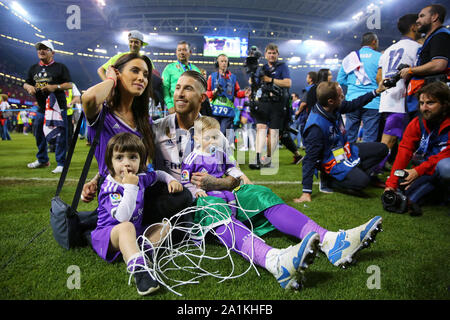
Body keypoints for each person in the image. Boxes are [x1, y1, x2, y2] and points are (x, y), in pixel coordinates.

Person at [152, 70, 384, 278]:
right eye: (178, 88)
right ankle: (274, 260)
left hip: (221, 192)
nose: (180, 93)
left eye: (188, 88)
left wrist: (232, 182)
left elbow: (233, 169)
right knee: (213, 208)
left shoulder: (214, 133)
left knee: (261, 193)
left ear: (202, 98)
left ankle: (330, 241)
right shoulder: (156, 129)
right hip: (191, 204)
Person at [81, 53, 193, 252]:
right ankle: (107, 228)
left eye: (145, 74)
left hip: (141, 186)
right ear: (118, 73)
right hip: (115, 189)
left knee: (183, 198)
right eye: (135, 71)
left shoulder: (144, 121)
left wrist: (93, 177)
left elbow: (139, 162)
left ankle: (102, 223)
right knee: (179, 224)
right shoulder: (103, 114)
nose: (142, 77)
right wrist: (110, 80)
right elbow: (89, 97)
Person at [92, 132, 182, 295]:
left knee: (165, 225)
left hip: (136, 232)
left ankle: (139, 252)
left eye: (132, 157)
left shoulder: (140, 178)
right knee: (126, 226)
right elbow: (122, 217)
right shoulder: (109, 188)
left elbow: (158, 174)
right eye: (119, 158)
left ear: (141, 160)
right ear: (110, 163)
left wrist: (172, 180)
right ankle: (140, 270)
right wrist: (130, 187)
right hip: (110, 236)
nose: (126, 163)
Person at [295, 81, 388, 204]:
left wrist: (376, 91)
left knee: (382, 149)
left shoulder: (334, 107)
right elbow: (309, 160)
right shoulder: (315, 127)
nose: (343, 97)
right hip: (331, 161)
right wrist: (306, 191)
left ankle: (354, 173)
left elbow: (355, 104)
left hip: (344, 150)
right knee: (363, 182)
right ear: (330, 101)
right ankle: (330, 181)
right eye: (340, 96)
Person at [384, 81, 450, 215]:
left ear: (444, 104)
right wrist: (391, 185)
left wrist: (418, 171)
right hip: (429, 168)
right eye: (421, 103)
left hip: (441, 167)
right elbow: (404, 152)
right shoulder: (417, 123)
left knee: (445, 168)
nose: (424, 108)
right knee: (405, 190)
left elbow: (445, 155)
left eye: (430, 103)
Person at [377, 14, 422, 169]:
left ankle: (393, 167)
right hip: (402, 100)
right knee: (390, 141)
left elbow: (379, 77)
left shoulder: (388, 49)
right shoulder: (417, 48)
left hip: (388, 98)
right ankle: (374, 170)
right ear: (413, 27)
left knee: (398, 139)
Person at [249, 43, 302, 169]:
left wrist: (270, 80)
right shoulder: (262, 68)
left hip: (278, 103)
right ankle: (257, 158)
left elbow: (288, 83)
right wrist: (252, 79)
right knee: (261, 128)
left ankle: (267, 160)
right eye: (269, 53)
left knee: (274, 132)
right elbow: (255, 83)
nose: (272, 55)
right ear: (266, 55)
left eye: (274, 53)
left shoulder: (282, 66)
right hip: (264, 102)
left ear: (277, 54)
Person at [23, 40, 72, 173]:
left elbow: (69, 84)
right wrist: (29, 88)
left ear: (53, 52)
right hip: (41, 108)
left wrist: (54, 87)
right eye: (39, 49)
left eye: (45, 49)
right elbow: (25, 83)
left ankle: (61, 163)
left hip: (58, 107)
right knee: (38, 133)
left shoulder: (60, 67)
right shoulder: (33, 68)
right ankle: (42, 159)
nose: (41, 51)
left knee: (61, 135)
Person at [338, 32, 382, 143]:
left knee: (349, 137)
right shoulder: (380, 57)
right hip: (373, 101)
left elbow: (340, 80)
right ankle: (366, 159)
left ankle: (348, 159)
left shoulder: (350, 57)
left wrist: (354, 85)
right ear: (374, 42)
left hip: (352, 101)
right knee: (369, 138)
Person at [400, 4, 450, 100]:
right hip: (429, 95)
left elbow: (438, 64)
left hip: (435, 97)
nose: (417, 20)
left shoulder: (441, 36)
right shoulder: (434, 36)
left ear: (434, 17)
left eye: (422, 16)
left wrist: (411, 70)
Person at [206, 54, 249, 145]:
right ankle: (217, 154)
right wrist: (214, 92)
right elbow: (207, 93)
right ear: (217, 63)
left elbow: (237, 92)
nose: (224, 63)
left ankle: (222, 154)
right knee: (215, 134)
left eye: (225, 61)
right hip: (215, 112)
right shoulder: (212, 77)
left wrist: (245, 93)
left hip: (228, 113)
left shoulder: (233, 78)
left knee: (221, 133)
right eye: (221, 61)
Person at [162, 41, 201, 114]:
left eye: (184, 50)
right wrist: (170, 105)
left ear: (190, 52)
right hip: (175, 108)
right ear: (176, 52)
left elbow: (200, 90)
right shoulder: (169, 68)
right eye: (179, 50)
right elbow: (165, 88)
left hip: (192, 109)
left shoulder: (196, 70)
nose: (181, 52)